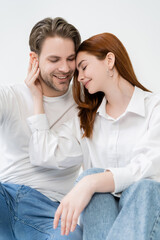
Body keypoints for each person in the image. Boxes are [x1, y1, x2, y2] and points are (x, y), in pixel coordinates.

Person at [27, 32, 160, 240]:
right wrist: (37, 98)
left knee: (145, 187)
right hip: (103, 224)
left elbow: (149, 168)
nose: (78, 77)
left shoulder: (155, 108)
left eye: (84, 67)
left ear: (109, 60)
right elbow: (43, 154)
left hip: (149, 216)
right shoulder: (86, 121)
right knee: (94, 182)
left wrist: (91, 182)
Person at [0, 17, 83, 240]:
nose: (65, 68)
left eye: (71, 59)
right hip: (4, 196)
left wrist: (38, 101)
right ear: (34, 59)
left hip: (51, 211)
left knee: (72, 237)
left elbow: (46, 155)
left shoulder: (84, 109)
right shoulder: (11, 95)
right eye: (54, 60)